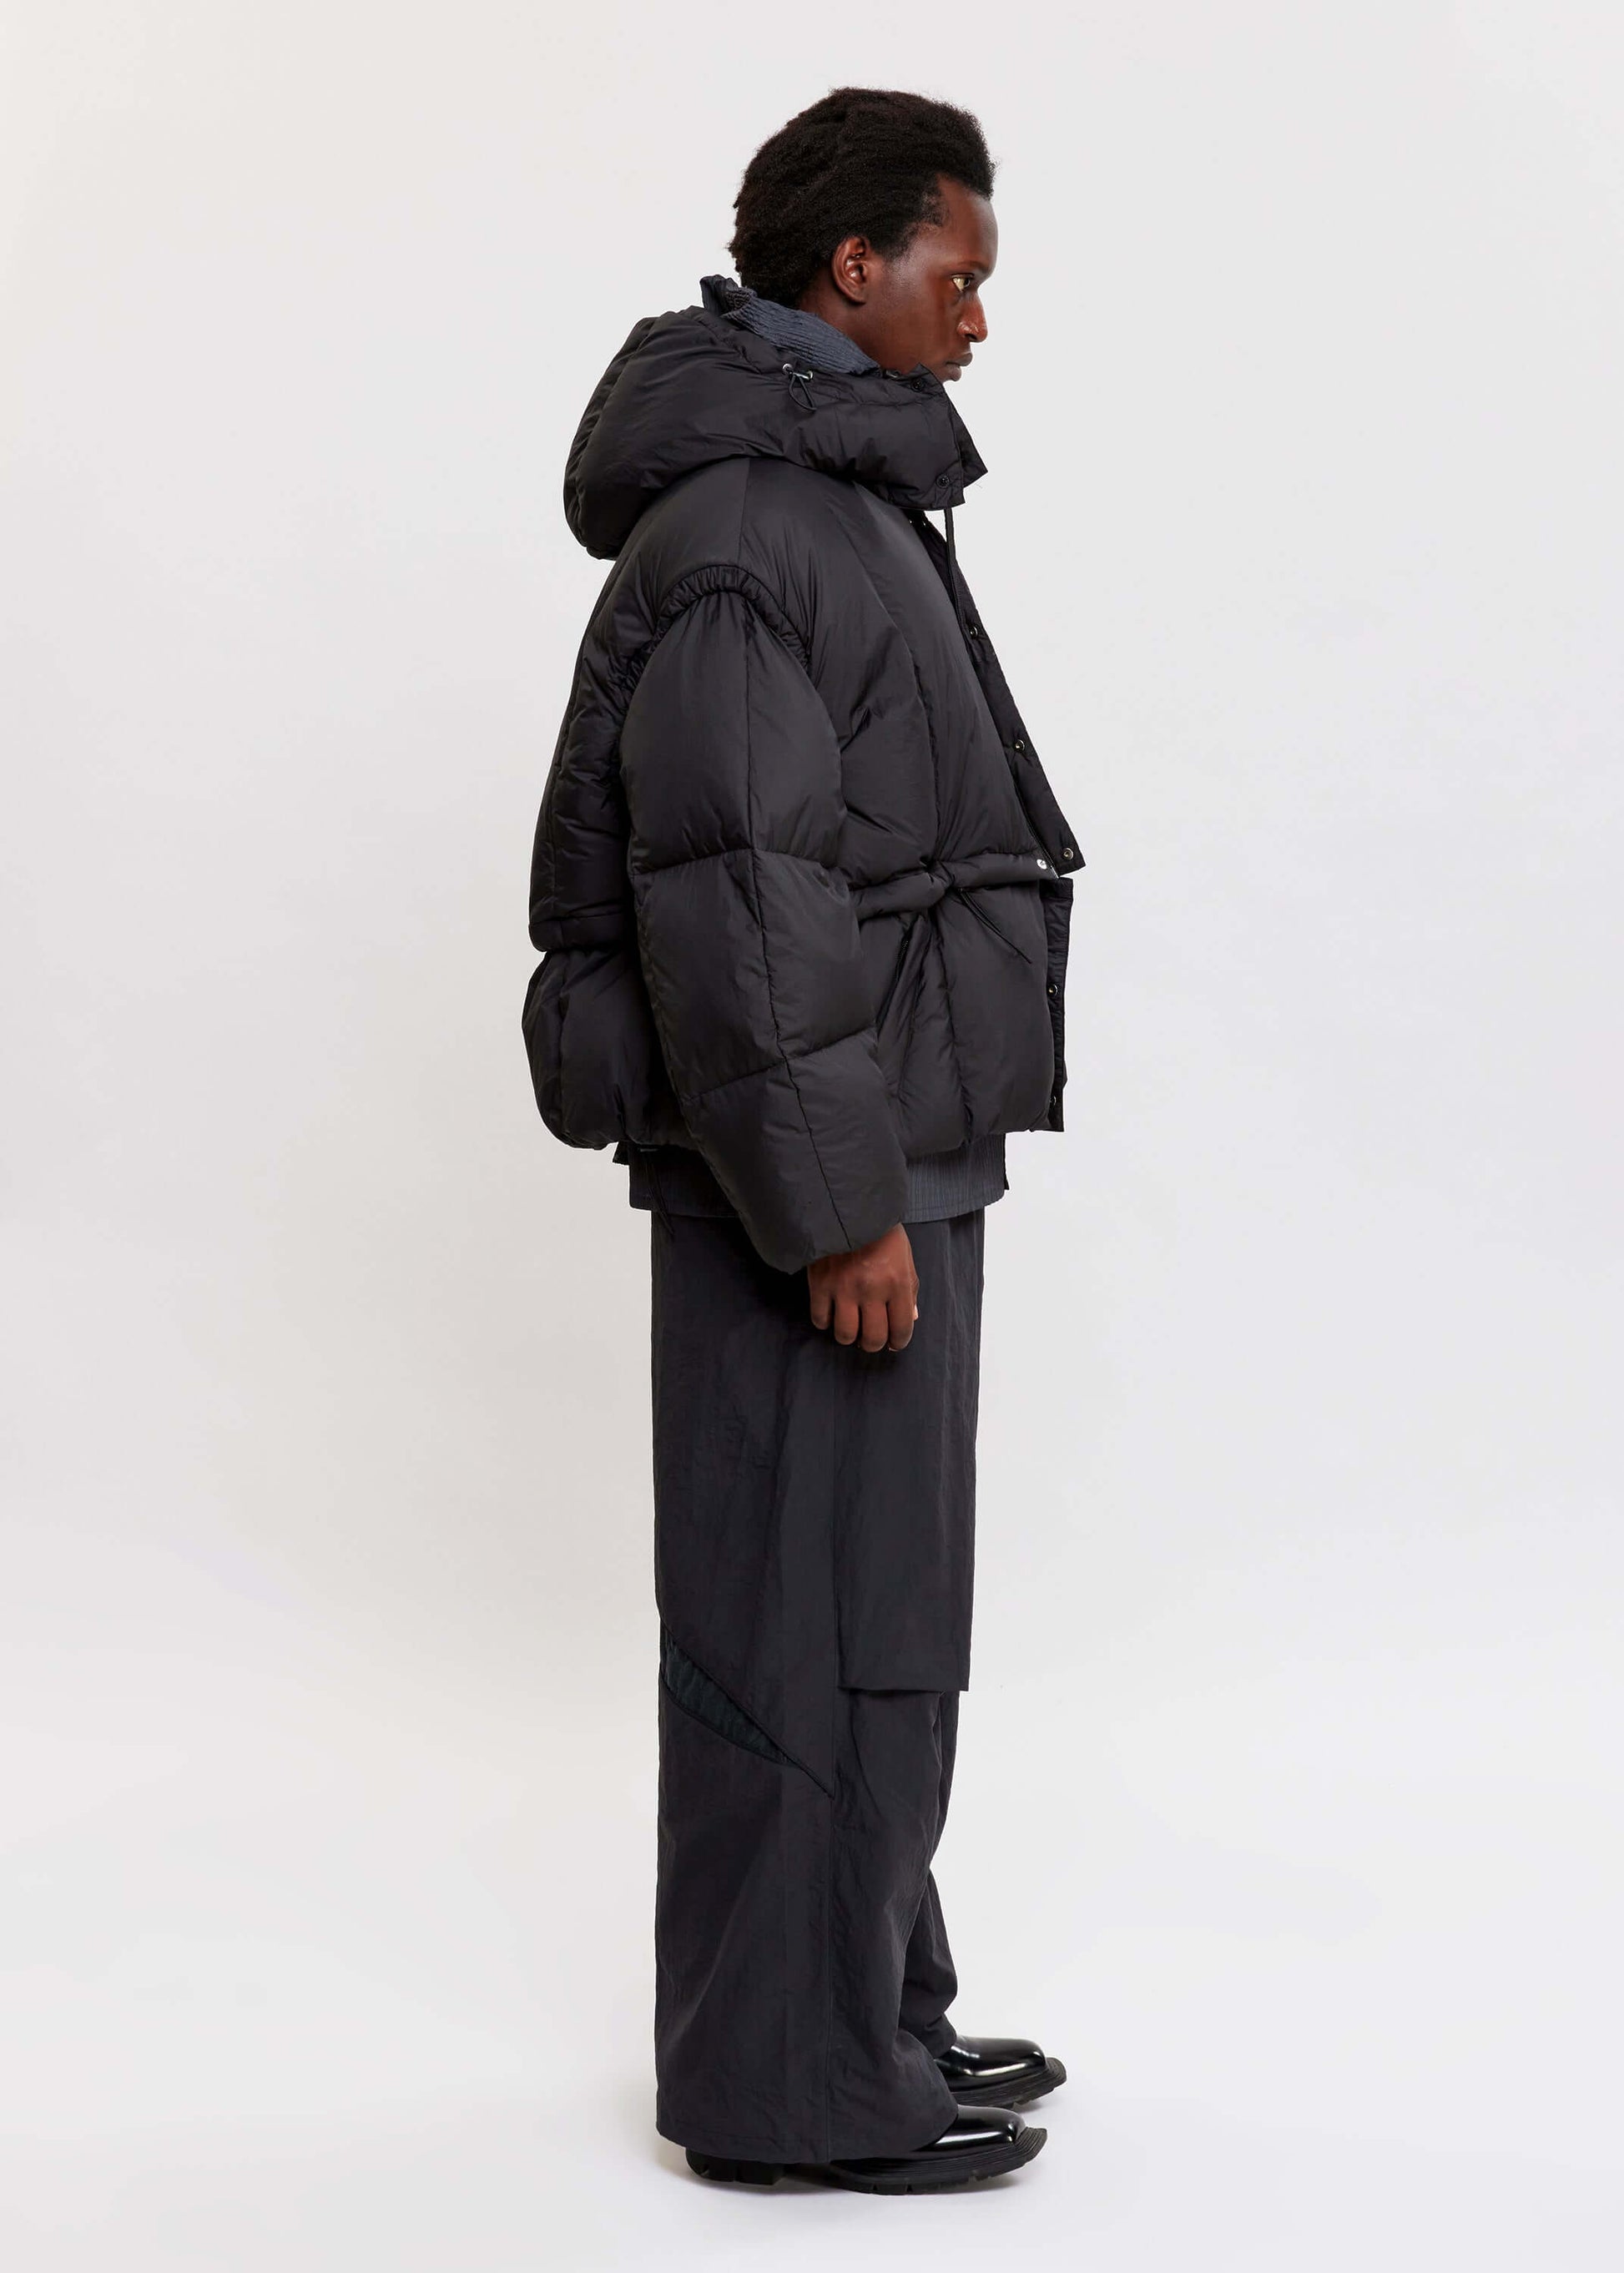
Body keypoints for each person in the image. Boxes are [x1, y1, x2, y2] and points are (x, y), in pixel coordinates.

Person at [522, 86, 1080, 2194]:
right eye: (960, 274)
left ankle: (867, 2013)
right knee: (809, 1630)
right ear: (855, 268)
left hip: (884, 1142)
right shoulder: (753, 529)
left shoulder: (827, 497)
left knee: (877, 1622)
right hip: (822, 1178)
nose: (977, 317)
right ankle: (791, 2092)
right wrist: (837, 1205)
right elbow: (740, 898)